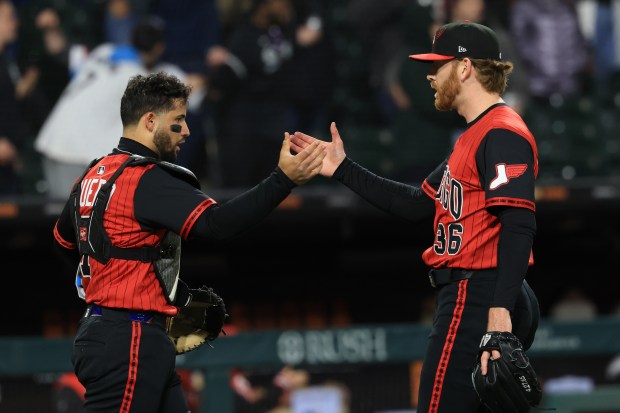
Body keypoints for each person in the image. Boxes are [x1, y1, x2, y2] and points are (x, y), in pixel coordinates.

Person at [291, 21, 540, 413]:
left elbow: (518, 224)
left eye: (438, 65)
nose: (429, 75)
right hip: (474, 293)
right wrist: (342, 168)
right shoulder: (472, 137)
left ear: (463, 68)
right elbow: (414, 204)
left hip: (476, 295)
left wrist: (498, 315)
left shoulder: (502, 132)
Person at [51, 71, 325, 412]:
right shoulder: (146, 179)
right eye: (178, 121)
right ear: (150, 121)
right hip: (128, 336)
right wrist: (282, 180)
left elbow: (64, 242)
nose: (187, 130)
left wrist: (100, 287)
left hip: (114, 330)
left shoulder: (93, 174)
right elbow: (217, 224)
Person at [34, 16, 189, 199]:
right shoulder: (138, 79)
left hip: (55, 138)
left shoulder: (103, 52)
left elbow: (65, 53)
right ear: (159, 47)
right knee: (79, 220)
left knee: (67, 219)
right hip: (75, 151)